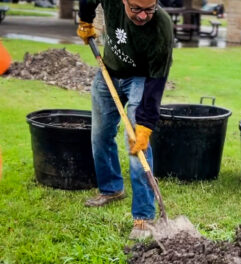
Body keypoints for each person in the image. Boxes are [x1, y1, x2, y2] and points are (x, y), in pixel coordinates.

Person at [77, 0, 173, 239]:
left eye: (149, 9)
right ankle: (111, 189)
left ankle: (143, 215)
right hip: (107, 71)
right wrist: (85, 19)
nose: (143, 16)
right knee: (100, 135)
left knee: (135, 143)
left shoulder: (162, 26)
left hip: (140, 79)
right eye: (136, 9)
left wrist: (145, 124)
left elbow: (157, 79)